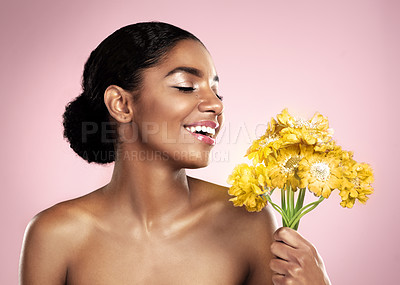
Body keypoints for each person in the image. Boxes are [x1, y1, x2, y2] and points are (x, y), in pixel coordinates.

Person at [19, 22, 331, 285]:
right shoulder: (55, 235)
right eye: (186, 86)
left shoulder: (248, 220)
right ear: (121, 104)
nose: (216, 105)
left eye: (216, 91)